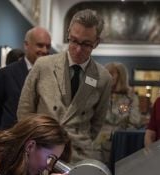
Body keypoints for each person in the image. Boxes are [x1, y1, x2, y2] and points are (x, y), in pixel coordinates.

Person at [17, 9, 112, 163]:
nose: (78, 49)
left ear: (96, 42)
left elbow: (97, 122)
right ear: (68, 33)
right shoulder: (43, 66)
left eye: (86, 44)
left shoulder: (103, 78)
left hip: (79, 155)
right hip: (42, 151)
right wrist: (33, 141)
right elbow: (25, 109)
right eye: (74, 40)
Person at [0, 27, 51, 131]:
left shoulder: (52, 77)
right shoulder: (5, 74)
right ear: (26, 45)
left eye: (48, 47)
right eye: (40, 45)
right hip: (10, 142)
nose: (45, 50)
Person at [93, 62, 142, 164]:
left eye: (112, 73)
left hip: (120, 143)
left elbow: (135, 121)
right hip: (97, 145)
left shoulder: (130, 97)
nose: (108, 76)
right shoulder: (99, 94)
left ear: (121, 76)